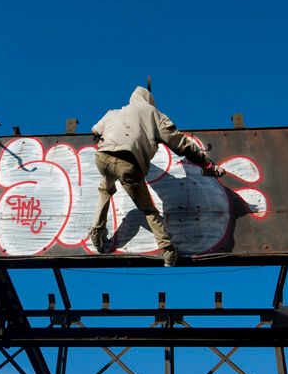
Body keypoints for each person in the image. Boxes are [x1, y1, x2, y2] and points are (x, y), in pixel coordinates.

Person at [88, 86, 225, 267]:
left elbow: (95, 130)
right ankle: (168, 249)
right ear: (150, 101)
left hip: (103, 157)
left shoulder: (114, 113)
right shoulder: (154, 114)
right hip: (128, 163)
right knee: (147, 209)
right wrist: (207, 165)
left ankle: (96, 232)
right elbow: (180, 143)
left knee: (105, 189)